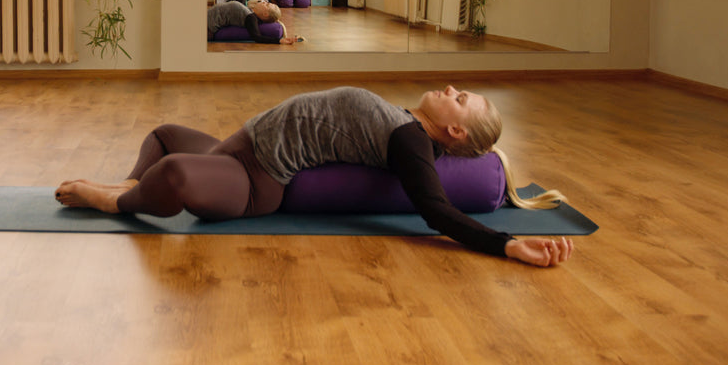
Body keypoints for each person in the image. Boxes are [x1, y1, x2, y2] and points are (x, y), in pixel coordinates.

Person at [56, 85, 574, 267]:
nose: (450, 88)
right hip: (242, 142)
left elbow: (437, 211)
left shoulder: (411, 143)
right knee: (166, 133)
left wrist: (507, 245)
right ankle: (131, 184)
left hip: (256, 179)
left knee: (173, 172)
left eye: (460, 99)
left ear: (456, 131)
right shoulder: (405, 120)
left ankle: (115, 203)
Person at [207, 0, 299, 44]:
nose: (264, 2)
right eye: (266, 2)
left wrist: (279, 41)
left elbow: (257, 37)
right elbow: (252, 2)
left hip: (207, 29)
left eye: (267, 5)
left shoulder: (251, 18)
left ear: (265, 14)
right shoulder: (250, 11)